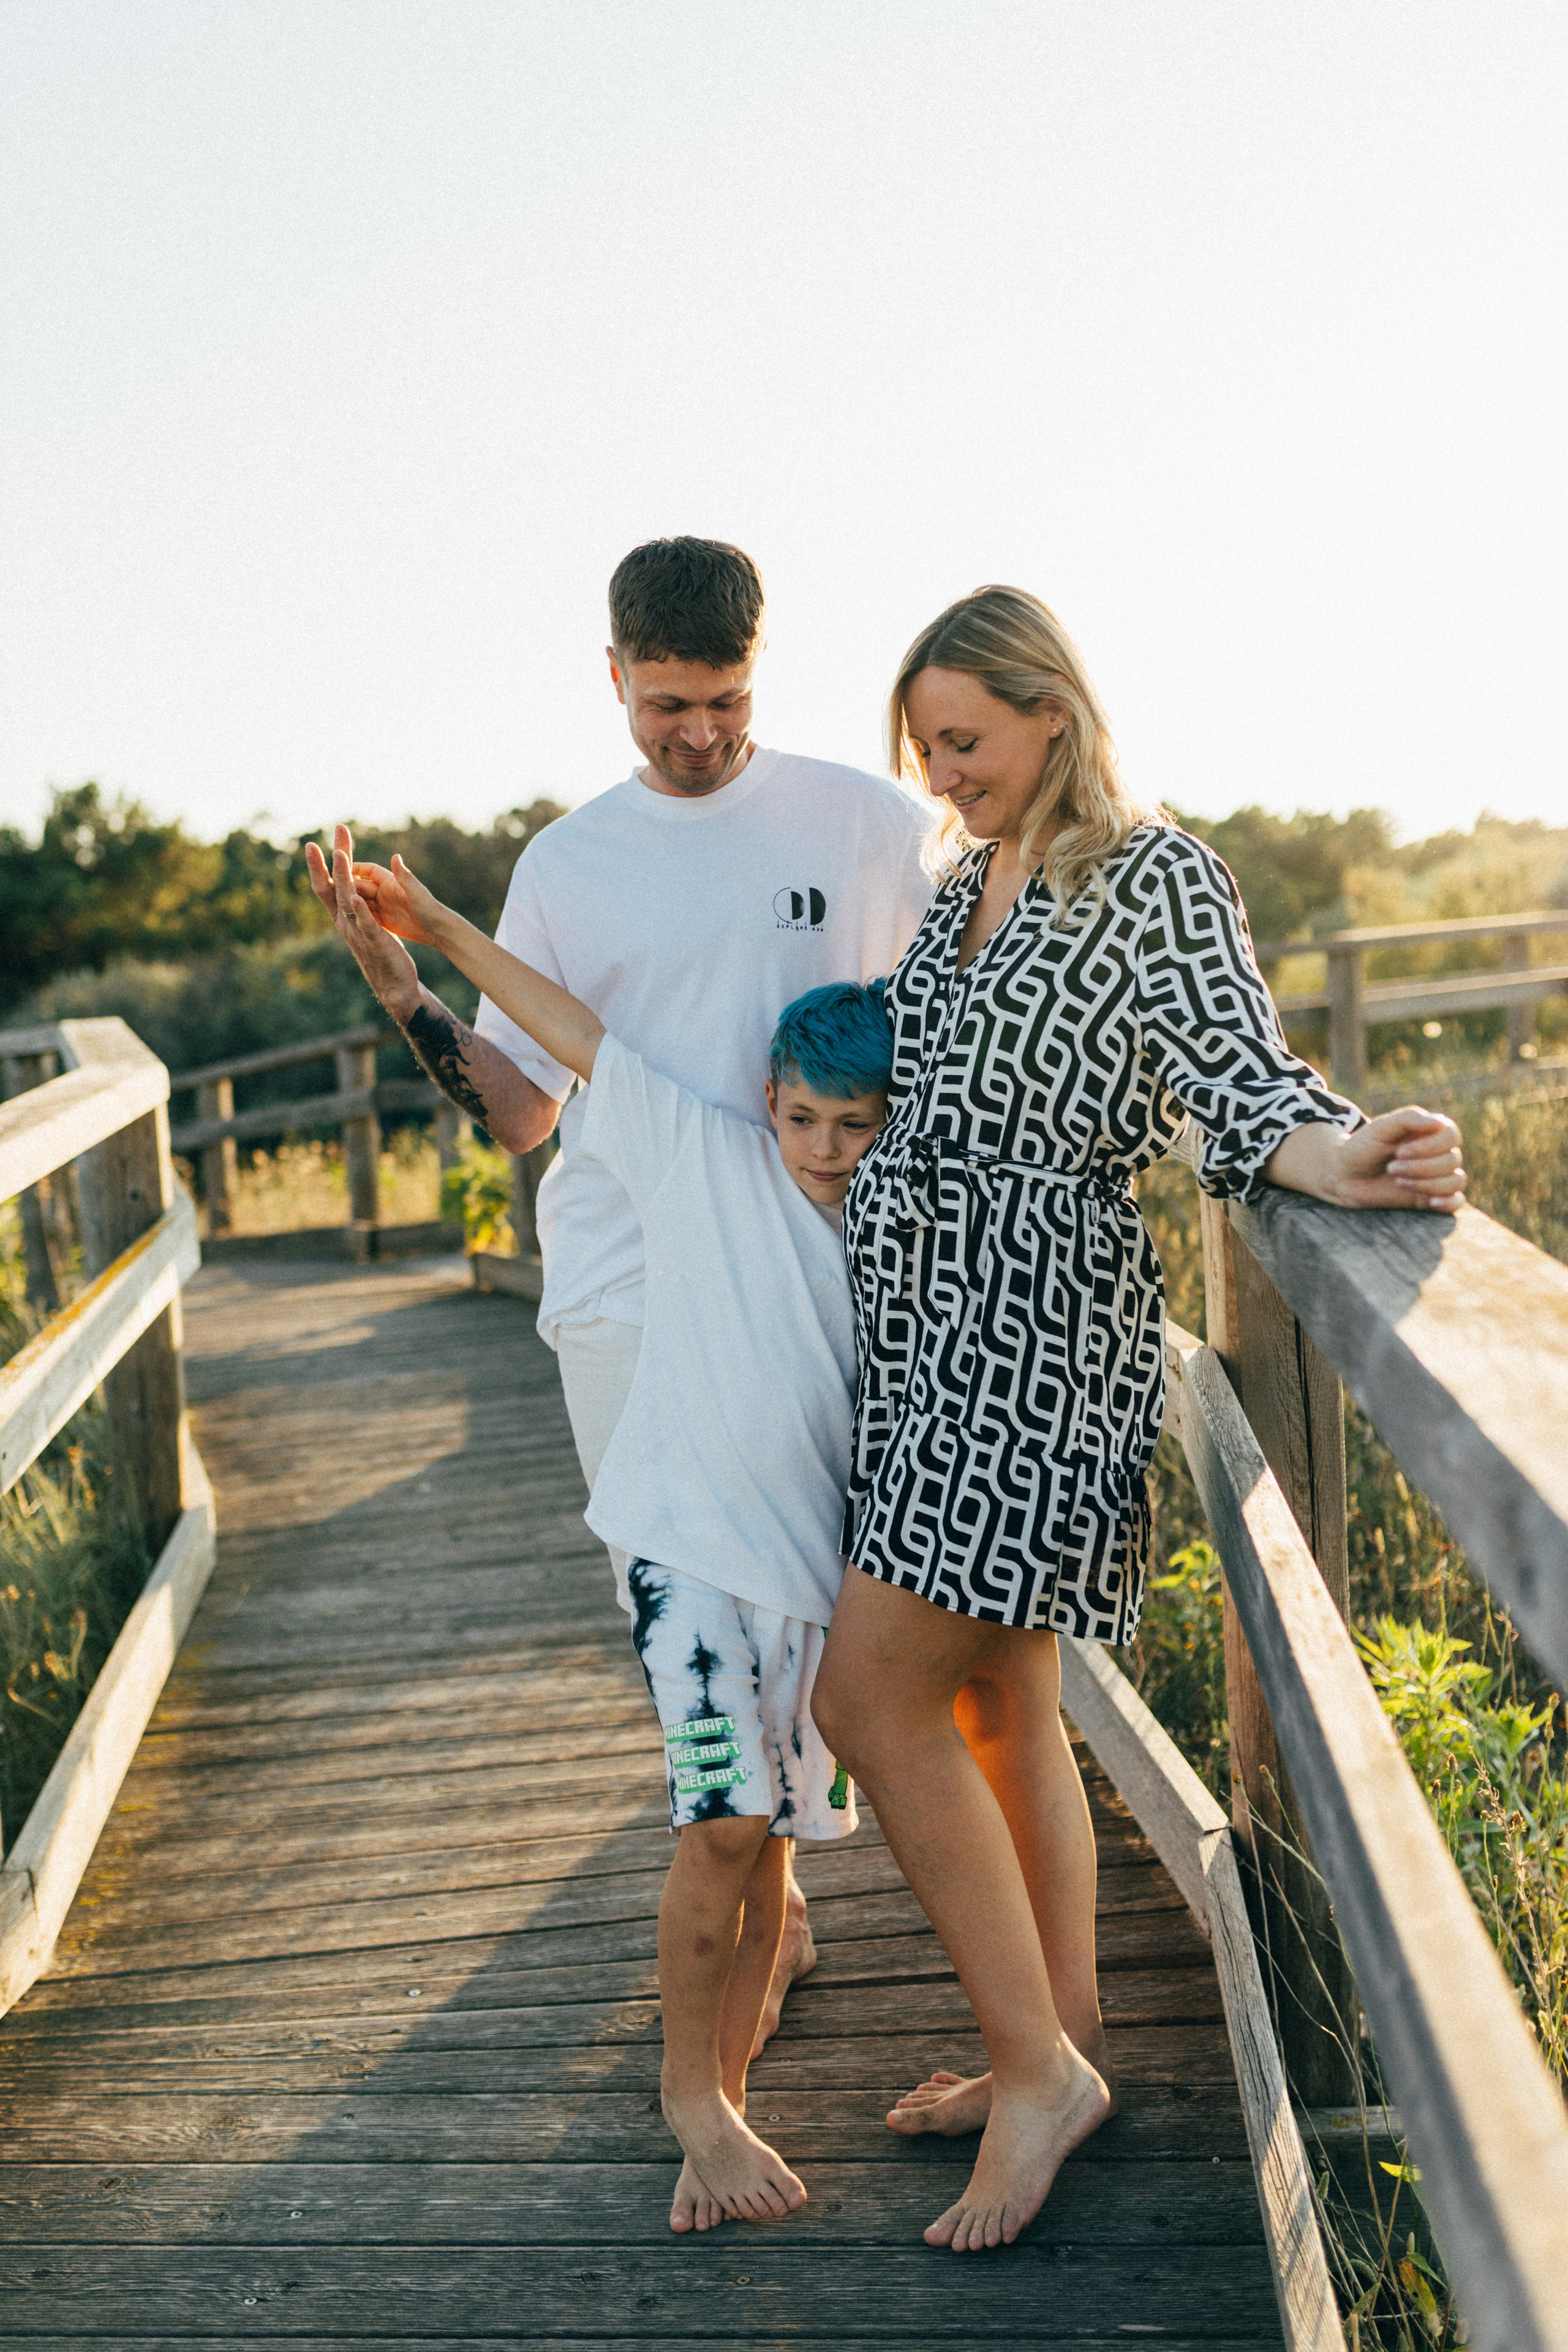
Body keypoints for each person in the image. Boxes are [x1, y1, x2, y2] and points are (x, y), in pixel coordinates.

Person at [810, 584, 1468, 2256]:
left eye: (963, 738)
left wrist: (1344, 1156)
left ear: (1051, 711)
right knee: (999, 1705)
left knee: (870, 1698)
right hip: (924, 1340)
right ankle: (1067, 2036)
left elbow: (1237, 1078)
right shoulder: (963, 890)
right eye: (925, 746)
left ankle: (1035, 2075)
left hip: (1029, 1346)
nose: (942, 772)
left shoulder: (1147, 870)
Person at [306, 535, 929, 2047]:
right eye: (664, 705)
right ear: (612, 680)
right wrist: (407, 996)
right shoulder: (566, 863)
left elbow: (941, 1033)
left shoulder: (864, 825)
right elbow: (523, 1111)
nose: (696, 732)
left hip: (808, 1281)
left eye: (721, 700)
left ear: (757, 671)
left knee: (793, 1595)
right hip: (624, 1291)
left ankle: (772, 1914)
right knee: (683, 1616)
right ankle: (754, 1922)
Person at [321, 838, 891, 2235]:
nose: (822, 1150)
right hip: (686, 1559)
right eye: (804, 1119)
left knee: (769, 1851)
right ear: (768, 1104)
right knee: (722, 1826)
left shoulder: (896, 1226)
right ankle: (686, 2099)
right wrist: (435, 934)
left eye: (852, 1127)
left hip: (809, 1587)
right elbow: (570, 1030)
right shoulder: (704, 1159)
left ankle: (727, 2094)